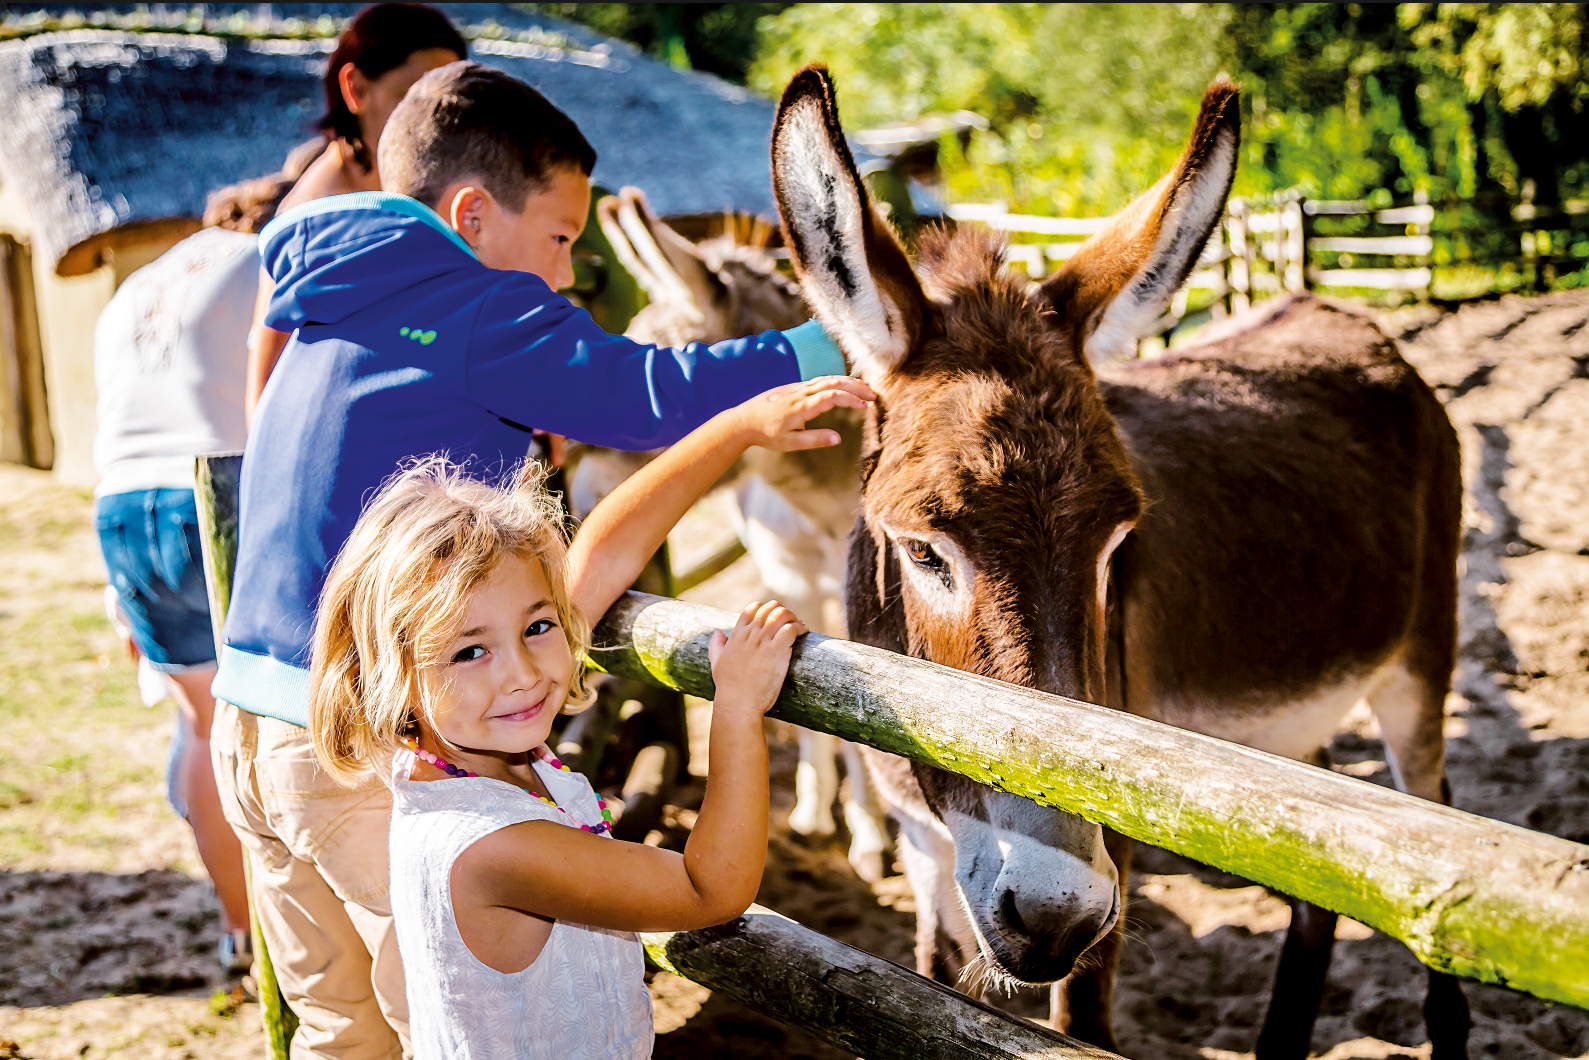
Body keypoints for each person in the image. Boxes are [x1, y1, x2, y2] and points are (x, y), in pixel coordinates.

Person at [209, 61, 849, 1058]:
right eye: (557, 240)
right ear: (470, 215)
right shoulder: (472, 304)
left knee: (338, 1021)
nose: (562, 276)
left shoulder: (338, 294)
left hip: (252, 716)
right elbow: (637, 389)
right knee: (440, 1011)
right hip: (352, 741)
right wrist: (821, 347)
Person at [308, 366, 869, 1057]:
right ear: (393, 674)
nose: (522, 673)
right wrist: (736, 705)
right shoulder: (495, 846)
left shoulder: (447, 754)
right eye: (468, 652)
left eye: (539, 627)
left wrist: (735, 432)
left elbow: (605, 556)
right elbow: (708, 889)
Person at [91, 142, 321, 974]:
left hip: (121, 507)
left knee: (201, 729)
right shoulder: (269, 260)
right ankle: (304, 931)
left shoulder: (140, 284)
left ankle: (240, 930)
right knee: (273, 720)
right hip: (212, 499)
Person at [245, 2, 466, 423]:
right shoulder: (315, 217)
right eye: (414, 98)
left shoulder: (405, 198)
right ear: (356, 89)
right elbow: (268, 375)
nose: (439, 124)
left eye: (448, 104)